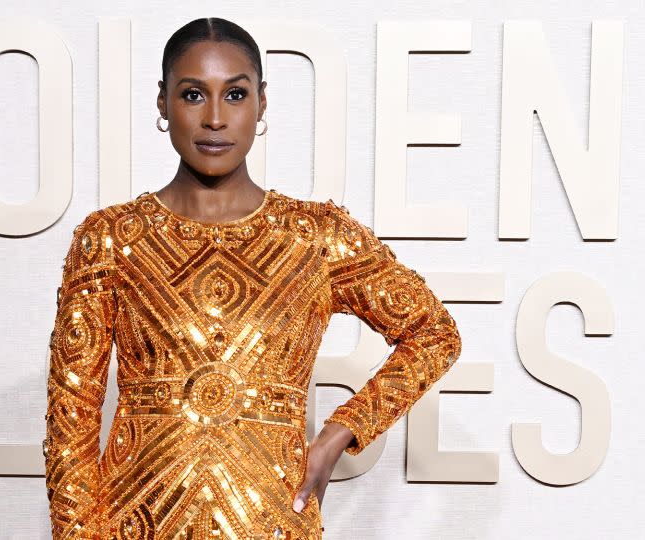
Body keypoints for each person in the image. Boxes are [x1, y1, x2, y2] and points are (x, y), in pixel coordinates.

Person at [43, 17, 462, 540]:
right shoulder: (109, 240)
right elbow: (72, 420)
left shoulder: (316, 238)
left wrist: (340, 434)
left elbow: (434, 334)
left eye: (235, 95)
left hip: (273, 522)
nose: (215, 118)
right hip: (132, 525)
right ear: (161, 103)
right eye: (193, 94)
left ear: (261, 104)